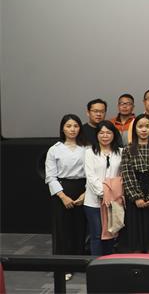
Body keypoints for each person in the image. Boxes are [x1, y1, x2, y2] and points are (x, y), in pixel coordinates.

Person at [46, 114, 88, 280]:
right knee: (63, 229)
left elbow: (92, 173)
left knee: (80, 228)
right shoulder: (54, 149)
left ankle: (79, 263)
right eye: (68, 126)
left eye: (76, 126)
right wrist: (63, 196)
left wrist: (85, 193)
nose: (72, 129)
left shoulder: (87, 148)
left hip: (83, 189)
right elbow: (50, 177)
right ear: (62, 128)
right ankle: (63, 267)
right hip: (62, 191)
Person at [120, 114, 149, 253]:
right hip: (135, 190)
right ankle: (137, 256)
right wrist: (136, 197)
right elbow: (127, 174)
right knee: (135, 230)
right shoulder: (128, 149)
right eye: (140, 126)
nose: (144, 129)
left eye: (147, 126)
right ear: (135, 129)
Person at [84, 120, 123, 255]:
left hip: (113, 201)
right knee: (97, 235)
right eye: (101, 133)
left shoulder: (121, 152)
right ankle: (96, 264)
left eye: (108, 133)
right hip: (93, 201)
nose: (105, 136)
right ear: (97, 135)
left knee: (111, 235)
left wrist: (111, 196)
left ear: (114, 134)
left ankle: (108, 263)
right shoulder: (89, 152)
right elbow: (90, 176)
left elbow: (121, 176)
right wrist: (103, 193)